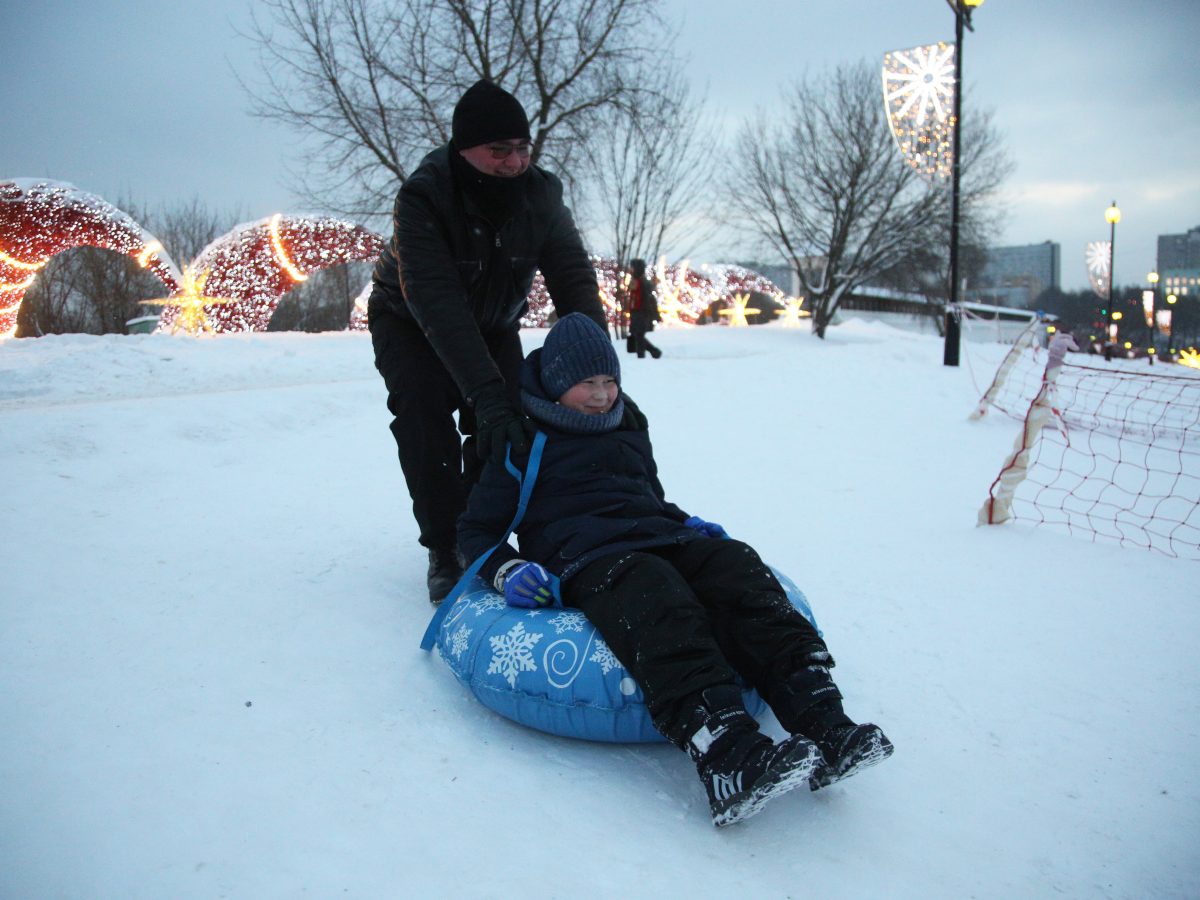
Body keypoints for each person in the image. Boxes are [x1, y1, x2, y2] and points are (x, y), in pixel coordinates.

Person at [457, 313, 893, 827]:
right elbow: (474, 531)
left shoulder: (628, 420)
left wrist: (685, 522)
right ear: (555, 385)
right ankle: (726, 753)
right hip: (586, 557)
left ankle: (825, 721)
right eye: (586, 384)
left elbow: (643, 496)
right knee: (654, 589)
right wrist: (508, 569)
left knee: (735, 565)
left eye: (609, 380)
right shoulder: (522, 440)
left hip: (655, 533)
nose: (601, 396)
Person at [366, 79, 609, 604]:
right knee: (426, 416)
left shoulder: (542, 194)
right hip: (408, 319)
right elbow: (436, 301)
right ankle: (445, 546)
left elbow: (572, 277)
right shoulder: (424, 196)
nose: (513, 162)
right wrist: (486, 393)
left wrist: (602, 368)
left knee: (504, 428)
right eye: (498, 151)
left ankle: (485, 532)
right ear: (463, 149)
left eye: (522, 149)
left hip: (494, 322)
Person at [626, 258, 662, 359]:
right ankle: (653, 352)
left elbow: (650, 300)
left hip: (641, 312)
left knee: (639, 335)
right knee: (637, 335)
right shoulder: (636, 281)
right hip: (636, 312)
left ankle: (643, 356)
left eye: (632, 268)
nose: (631, 270)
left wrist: (654, 315)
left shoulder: (643, 282)